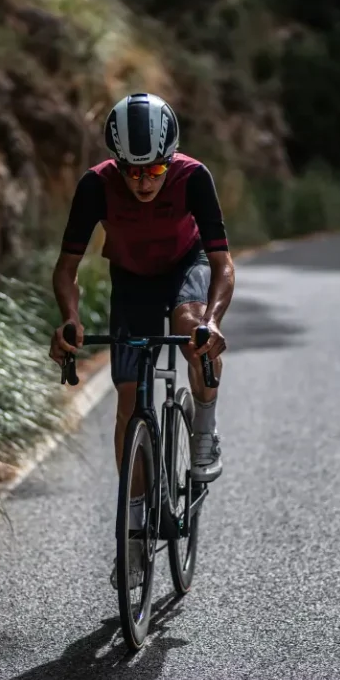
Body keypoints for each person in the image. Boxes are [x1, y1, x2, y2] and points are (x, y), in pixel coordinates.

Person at [49, 92, 235, 587]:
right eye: (131, 171)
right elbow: (66, 268)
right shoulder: (96, 185)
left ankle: (203, 430)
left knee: (190, 325)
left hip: (185, 266)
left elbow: (222, 264)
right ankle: (133, 536)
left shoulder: (193, 177)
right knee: (127, 404)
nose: (141, 181)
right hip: (131, 278)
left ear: (169, 159)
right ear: (116, 161)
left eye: (153, 171)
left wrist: (213, 322)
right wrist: (69, 317)